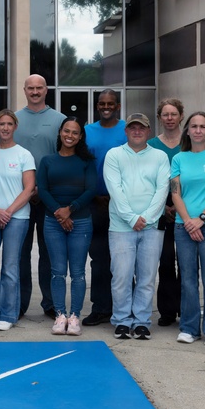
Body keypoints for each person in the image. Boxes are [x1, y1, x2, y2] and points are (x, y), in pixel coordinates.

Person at [103, 113, 170, 340]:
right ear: (126, 131)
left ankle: (141, 321)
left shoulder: (160, 157)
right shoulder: (114, 155)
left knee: (146, 277)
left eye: (141, 128)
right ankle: (122, 321)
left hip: (151, 228)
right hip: (121, 227)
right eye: (133, 127)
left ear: (148, 131)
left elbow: (162, 190)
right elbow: (115, 189)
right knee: (121, 276)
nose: (137, 131)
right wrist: (132, 218)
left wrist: (148, 218)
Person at [170, 111, 205, 346]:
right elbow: (175, 192)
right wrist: (188, 221)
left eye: (202, 126)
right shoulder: (179, 159)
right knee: (187, 279)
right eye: (193, 126)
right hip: (183, 227)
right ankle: (189, 327)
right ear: (187, 130)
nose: (197, 130)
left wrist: (201, 219)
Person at [0, 109, 36, 331]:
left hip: (17, 217)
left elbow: (29, 188)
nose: (5, 128)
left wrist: (8, 212)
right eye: (1, 124)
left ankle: (8, 314)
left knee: (10, 267)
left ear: (15, 127)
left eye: (9, 124)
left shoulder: (24, 155)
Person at [38, 117, 97, 336]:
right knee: (57, 272)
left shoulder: (87, 161)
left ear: (80, 136)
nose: (69, 135)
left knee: (79, 273)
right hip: (53, 222)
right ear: (60, 132)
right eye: (66, 131)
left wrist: (69, 210)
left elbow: (91, 189)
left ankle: (74, 317)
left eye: (74, 132)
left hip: (80, 222)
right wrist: (59, 213)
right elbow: (42, 190)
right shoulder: (47, 161)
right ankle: (60, 314)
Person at [14, 74, 66, 319]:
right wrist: (28, 190)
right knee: (20, 253)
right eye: (30, 88)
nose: (35, 92)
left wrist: (41, 188)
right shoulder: (14, 120)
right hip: (20, 199)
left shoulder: (59, 120)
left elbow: (63, 158)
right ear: (24, 90)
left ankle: (51, 304)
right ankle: (20, 303)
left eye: (39, 88)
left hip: (49, 199)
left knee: (50, 253)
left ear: (47, 90)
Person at [82, 88, 127, 327]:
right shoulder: (87, 131)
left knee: (124, 259)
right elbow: (83, 166)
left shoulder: (127, 130)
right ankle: (100, 308)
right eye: (102, 103)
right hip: (95, 203)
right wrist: (94, 195)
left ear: (118, 105)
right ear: (97, 105)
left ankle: (124, 309)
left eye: (111, 103)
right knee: (98, 259)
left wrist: (118, 197)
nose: (106, 107)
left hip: (122, 205)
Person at [148, 98, 184, 326]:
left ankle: (186, 308)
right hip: (159, 212)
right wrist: (164, 206)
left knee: (188, 264)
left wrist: (177, 206)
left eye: (174, 114)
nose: (169, 118)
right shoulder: (151, 145)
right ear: (160, 117)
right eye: (165, 114)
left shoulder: (190, 143)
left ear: (181, 115)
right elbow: (150, 182)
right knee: (166, 262)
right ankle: (167, 311)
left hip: (187, 212)